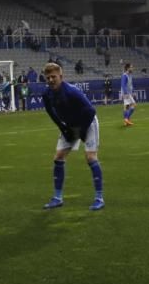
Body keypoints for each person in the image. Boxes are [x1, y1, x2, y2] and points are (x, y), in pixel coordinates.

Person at [41, 62, 104, 211]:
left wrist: (81, 132)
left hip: (87, 122)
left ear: (61, 77)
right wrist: (63, 129)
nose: (50, 80)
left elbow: (90, 111)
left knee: (90, 157)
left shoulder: (71, 92)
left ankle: (99, 198)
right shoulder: (47, 94)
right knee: (58, 157)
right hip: (70, 125)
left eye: (53, 77)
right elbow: (51, 112)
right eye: (48, 77)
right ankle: (57, 198)